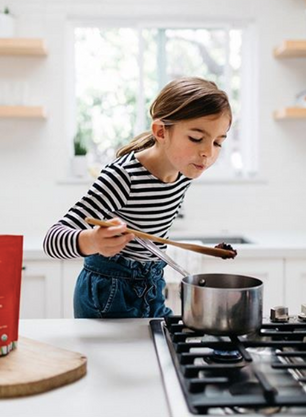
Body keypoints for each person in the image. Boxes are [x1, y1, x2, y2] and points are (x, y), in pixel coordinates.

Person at [43, 76, 232, 319]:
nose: (208, 152)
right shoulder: (124, 177)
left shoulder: (184, 172)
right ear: (161, 131)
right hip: (109, 294)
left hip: (151, 285)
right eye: (196, 138)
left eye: (218, 142)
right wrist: (92, 241)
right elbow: (52, 239)